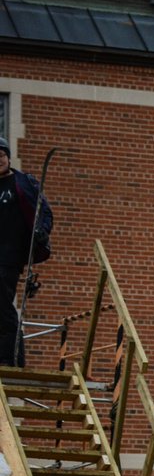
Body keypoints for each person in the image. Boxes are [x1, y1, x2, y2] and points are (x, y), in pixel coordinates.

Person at [0, 137, 53, 367]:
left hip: (9, 256)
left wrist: (41, 231)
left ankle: (12, 358)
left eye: (1, 156)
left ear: (8, 158)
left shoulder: (22, 183)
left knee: (1, 303)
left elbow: (45, 212)